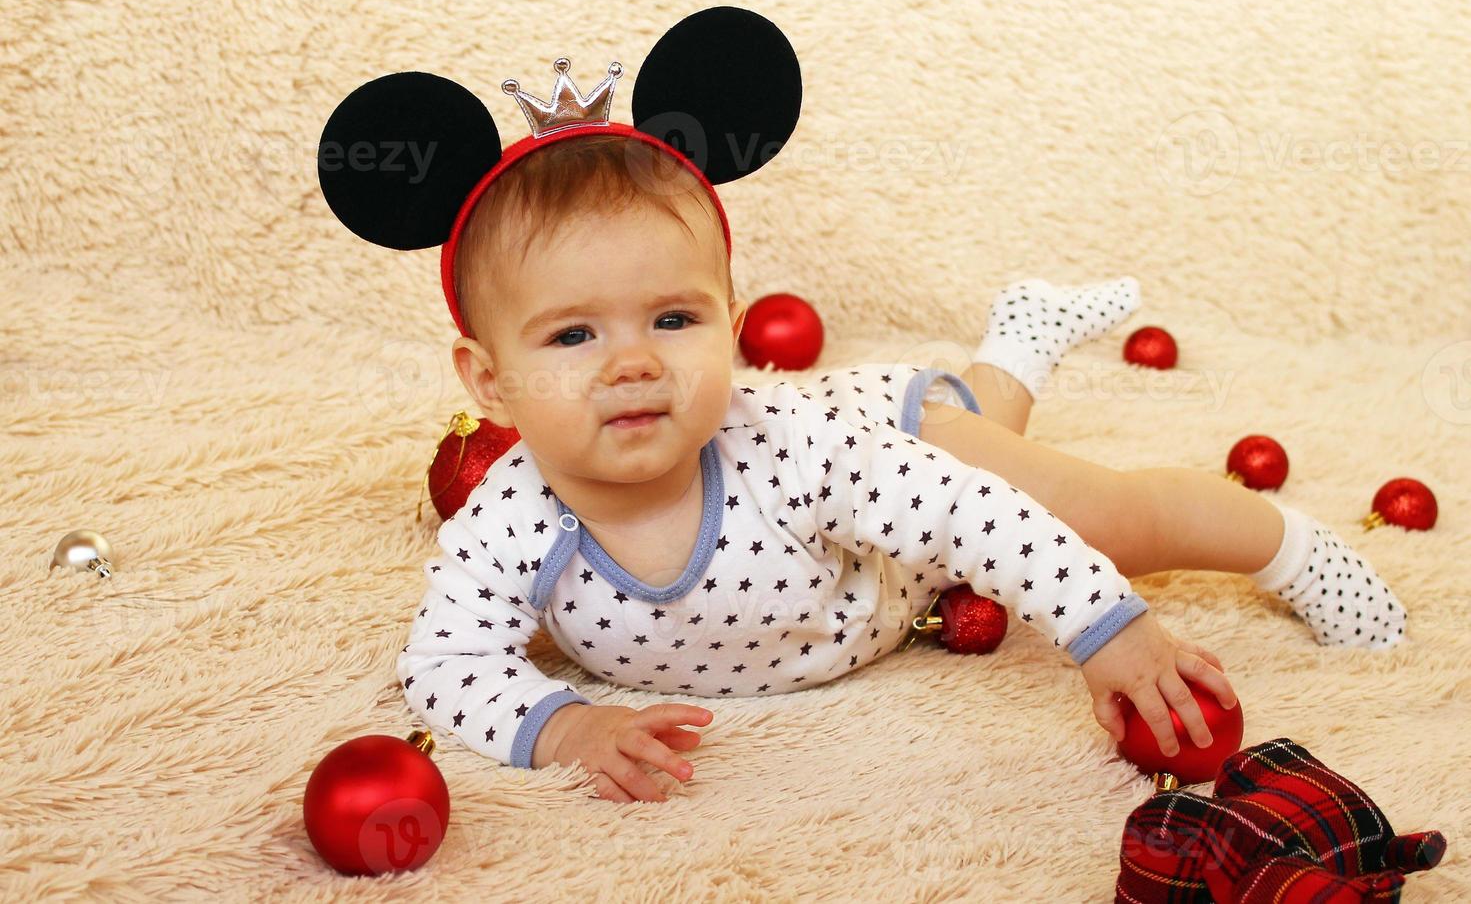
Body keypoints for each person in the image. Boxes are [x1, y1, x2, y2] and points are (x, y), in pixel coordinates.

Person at [395, 134, 1406, 804]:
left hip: (892, 451)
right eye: (572, 333)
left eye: (673, 318)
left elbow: (974, 515)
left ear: (733, 328)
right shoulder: (508, 519)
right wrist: (564, 726)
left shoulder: (784, 445)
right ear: (489, 380)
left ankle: (1285, 543)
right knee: (994, 427)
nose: (633, 361)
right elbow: (444, 664)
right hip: (894, 559)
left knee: (1102, 514)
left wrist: (1106, 625)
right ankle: (1022, 334)